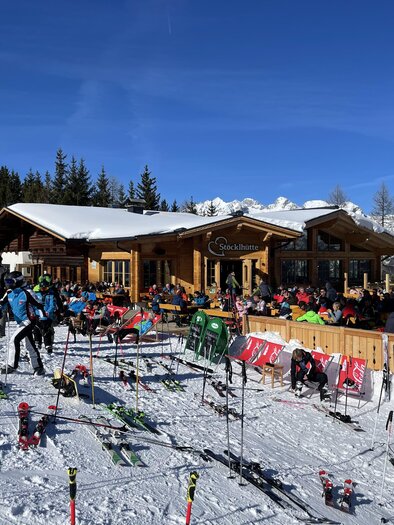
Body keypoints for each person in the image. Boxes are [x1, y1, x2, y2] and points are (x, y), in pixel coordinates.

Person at [0, 271, 45, 375]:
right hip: (20, 323)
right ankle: (38, 367)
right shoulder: (10, 292)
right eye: (7, 281)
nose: (8, 284)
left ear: (18, 281)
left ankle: (12, 365)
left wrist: (43, 319)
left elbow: (39, 305)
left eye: (10, 281)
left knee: (14, 340)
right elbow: (2, 303)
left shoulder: (27, 292)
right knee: (29, 344)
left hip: (29, 321)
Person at [33, 274, 62, 354]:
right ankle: (37, 341)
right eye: (42, 288)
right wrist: (36, 312)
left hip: (47, 315)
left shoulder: (50, 294)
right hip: (38, 314)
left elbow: (52, 305)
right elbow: (34, 304)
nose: (43, 289)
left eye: (45, 288)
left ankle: (48, 344)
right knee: (37, 328)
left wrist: (48, 312)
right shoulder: (36, 293)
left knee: (47, 329)